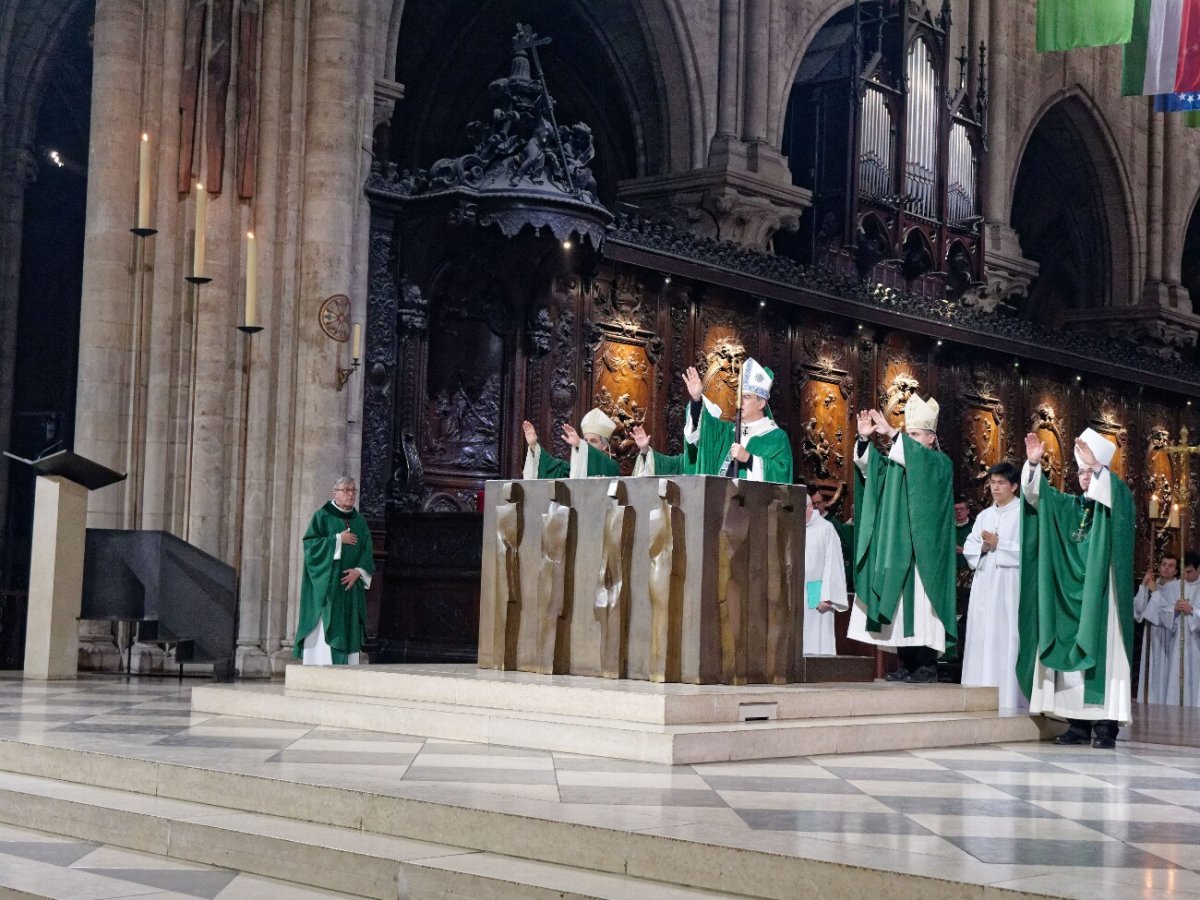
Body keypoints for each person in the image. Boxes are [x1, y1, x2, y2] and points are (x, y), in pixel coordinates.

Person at [1019, 428, 1134, 749]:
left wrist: (1098, 469)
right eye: (1081, 472)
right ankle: (1077, 725)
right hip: (1070, 597)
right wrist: (1033, 467)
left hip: (1103, 596)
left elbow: (1116, 498)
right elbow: (1038, 498)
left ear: (1104, 472)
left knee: (1105, 655)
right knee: (1071, 655)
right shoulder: (1070, 506)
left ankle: (1106, 727)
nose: (1085, 478)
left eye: (1090, 471)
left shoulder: (1117, 500)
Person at [847, 397, 957, 684]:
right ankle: (907, 663)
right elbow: (872, 472)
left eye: (915, 435)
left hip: (925, 552)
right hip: (899, 548)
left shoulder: (940, 464)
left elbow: (921, 466)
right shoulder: (898, 463)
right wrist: (862, 439)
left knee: (922, 606)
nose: (909, 439)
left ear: (931, 439)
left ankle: (927, 666)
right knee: (899, 607)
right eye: (908, 434)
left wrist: (894, 434)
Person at [961, 462, 1024, 709]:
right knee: (982, 636)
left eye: (1001, 483)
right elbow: (969, 546)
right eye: (992, 483)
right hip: (985, 583)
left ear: (1014, 486)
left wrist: (1001, 544)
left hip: (1008, 586)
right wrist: (983, 547)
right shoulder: (985, 515)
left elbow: (1031, 552)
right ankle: (979, 691)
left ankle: (1008, 696)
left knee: (1005, 636)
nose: (995, 488)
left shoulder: (1023, 514)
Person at [294, 476, 374, 665]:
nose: (350, 494)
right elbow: (310, 546)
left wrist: (359, 571)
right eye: (345, 490)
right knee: (328, 626)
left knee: (349, 627)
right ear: (335, 493)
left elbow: (368, 551)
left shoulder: (360, 521)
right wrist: (337, 540)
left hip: (351, 587)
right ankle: (320, 667)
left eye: (353, 490)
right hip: (328, 587)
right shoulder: (322, 516)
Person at [679, 360, 793, 482]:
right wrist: (696, 399)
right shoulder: (727, 432)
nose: (740, 402)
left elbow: (782, 475)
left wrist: (749, 459)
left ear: (761, 403)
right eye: (739, 397)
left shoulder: (777, 438)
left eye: (747, 397)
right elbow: (704, 430)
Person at [1141, 550, 1200, 705]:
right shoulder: (1178, 587)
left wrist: (1192, 610)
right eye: (1184, 572)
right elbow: (1163, 612)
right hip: (1177, 642)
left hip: (1196, 643)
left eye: (1189, 572)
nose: (1186, 576)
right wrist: (1174, 610)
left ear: (1198, 569)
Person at [804, 493, 849, 655]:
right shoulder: (793, 527)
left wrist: (828, 595)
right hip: (795, 592)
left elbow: (834, 564)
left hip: (816, 590)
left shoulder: (826, 528)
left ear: (810, 508)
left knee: (816, 636)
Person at [522, 408, 619, 478]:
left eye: (593, 441)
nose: (587, 445)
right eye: (585, 441)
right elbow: (551, 467)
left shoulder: (611, 466)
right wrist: (533, 445)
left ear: (604, 446)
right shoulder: (575, 468)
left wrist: (580, 444)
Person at [1134, 553, 1179, 702]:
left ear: (1176, 571)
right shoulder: (1153, 583)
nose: (1166, 568)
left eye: (1171, 566)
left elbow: (1167, 613)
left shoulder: (1178, 587)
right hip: (1151, 633)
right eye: (1164, 564)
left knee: (1165, 670)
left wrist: (1154, 592)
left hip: (1168, 635)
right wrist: (1143, 586)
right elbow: (1138, 611)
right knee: (1151, 667)